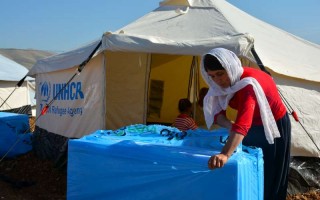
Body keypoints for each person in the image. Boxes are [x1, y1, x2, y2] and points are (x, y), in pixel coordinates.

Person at [201, 48, 291, 200]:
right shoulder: (225, 82)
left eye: (220, 74)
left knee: (270, 169)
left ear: (230, 67)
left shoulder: (248, 85)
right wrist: (230, 126)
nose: (217, 80)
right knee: (252, 166)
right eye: (212, 76)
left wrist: (225, 154)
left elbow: (243, 124)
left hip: (272, 126)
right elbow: (216, 113)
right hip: (251, 125)